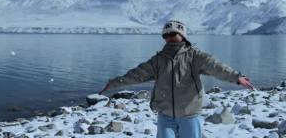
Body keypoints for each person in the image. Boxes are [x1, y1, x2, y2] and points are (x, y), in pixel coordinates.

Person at [99, 20, 255, 138]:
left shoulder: (195, 56)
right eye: (166, 35)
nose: (169, 37)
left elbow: (216, 67)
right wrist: (114, 83)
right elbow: (136, 75)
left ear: (182, 35)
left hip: (190, 115)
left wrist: (236, 77)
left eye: (173, 33)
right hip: (165, 115)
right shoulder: (158, 59)